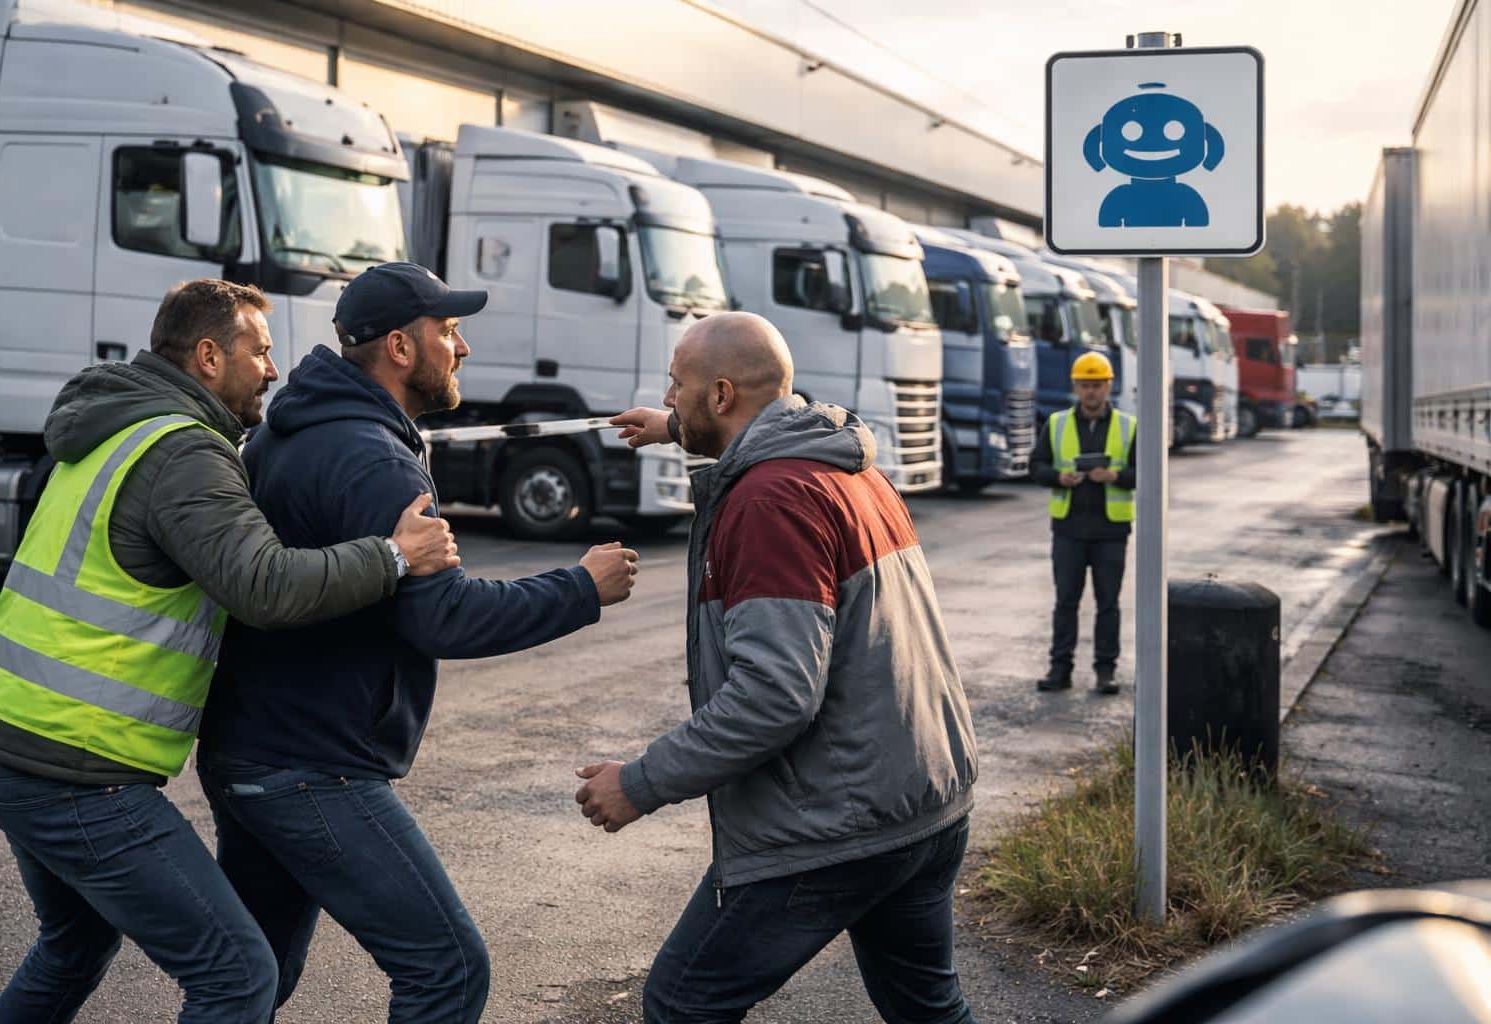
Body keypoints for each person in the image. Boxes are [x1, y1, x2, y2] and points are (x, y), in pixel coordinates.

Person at [0, 279, 459, 1024]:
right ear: (206, 356)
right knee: (236, 972)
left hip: (4, 742)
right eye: (258, 351)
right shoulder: (184, 454)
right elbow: (264, 586)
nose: (271, 368)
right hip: (73, 768)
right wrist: (391, 554)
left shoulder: (118, 428)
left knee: (73, 948)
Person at [195, 262, 640, 1024]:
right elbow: (444, 616)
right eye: (450, 331)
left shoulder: (291, 429)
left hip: (253, 750)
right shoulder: (370, 457)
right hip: (310, 767)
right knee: (447, 969)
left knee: (252, 981)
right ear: (401, 347)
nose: (461, 348)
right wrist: (580, 588)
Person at [577, 311, 980, 1024]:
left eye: (677, 386)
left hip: (836, 822)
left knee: (683, 1002)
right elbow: (747, 428)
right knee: (928, 1010)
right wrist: (671, 426)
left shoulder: (770, 502)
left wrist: (638, 784)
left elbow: (774, 697)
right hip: (925, 801)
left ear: (723, 394)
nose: (669, 396)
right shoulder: (843, 465)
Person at [1030, 351, 1138, 694]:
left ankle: (1105, 671)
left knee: (1108, 604)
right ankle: (1059, 669)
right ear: (1075, 387)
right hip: (1069, 529)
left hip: (1110, 532)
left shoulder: (1128, 426)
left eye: (1097, 385)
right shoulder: (1057, 423)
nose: (1091, 392)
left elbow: (1144, 474)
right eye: (1085, 385)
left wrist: (1115, 475)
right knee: (1066, 602)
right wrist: (1059, 477)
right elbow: (1036, 467)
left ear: (1109, 386)